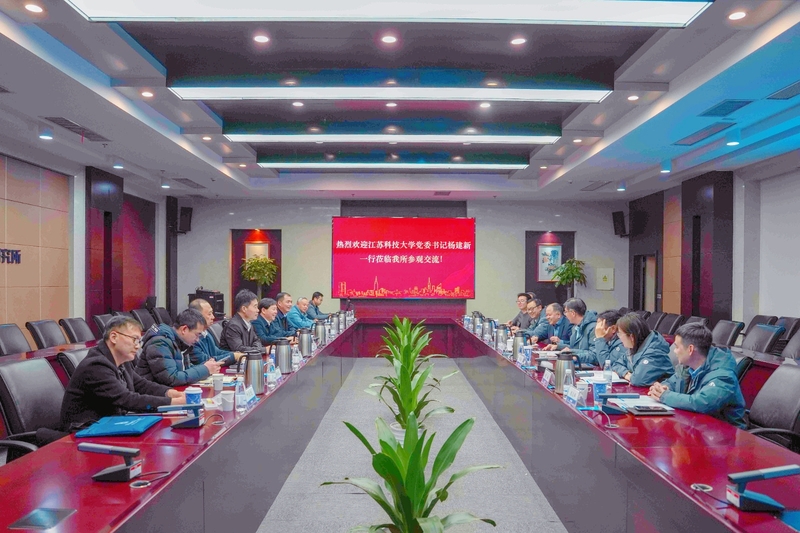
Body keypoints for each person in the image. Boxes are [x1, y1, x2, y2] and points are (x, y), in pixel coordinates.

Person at [60, 316, 185, 432]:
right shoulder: (96, 365)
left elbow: (141, 384)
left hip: (108, 423)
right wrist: (173, 402)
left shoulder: (121, 359)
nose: (137, 346)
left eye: (139, 341)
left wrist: (170, 392)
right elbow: (127, 399)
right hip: (84, 430)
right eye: (134, 339)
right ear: (114, 337)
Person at [648, 323, 746, 428]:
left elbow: (702, 403)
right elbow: (672, 382)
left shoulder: (723, 375)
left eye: (676, 347)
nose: (674, 351)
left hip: (725, 432)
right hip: (696, 426)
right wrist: (662, 388)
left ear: (690, 349)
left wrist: (665, 396)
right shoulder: (687, 366)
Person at [135, 308, 221, 386]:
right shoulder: (160, 342)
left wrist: (206, 366)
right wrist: (205, 369)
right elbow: (171, 378)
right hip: (154, 394)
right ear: (184, 329)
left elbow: (184, 369)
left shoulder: (180, 342)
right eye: (197, 334)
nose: (198, 339)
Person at [613, 313, 674, 386]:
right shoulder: (634, 347)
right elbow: (616, 364)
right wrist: (626, 374)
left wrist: (630, 376)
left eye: (620, 334)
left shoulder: (654, 353)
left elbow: (637, 380)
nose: (619, 338)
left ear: (631, 337)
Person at [188, 298, 243, 366]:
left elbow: (216, 352)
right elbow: (204, 361)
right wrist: (233, 356)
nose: (213, 317)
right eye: (209, 314)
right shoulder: (191, 339)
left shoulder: (206, 333)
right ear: (197, 316)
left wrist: (235, 355)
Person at [555, 298, 598, 362]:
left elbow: (594, 355)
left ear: (573, 313)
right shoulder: (574, 328)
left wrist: (574, 355)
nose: (565, 315)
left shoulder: (593, 328)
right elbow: (576, 348)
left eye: (566, 312)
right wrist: (558, 346)